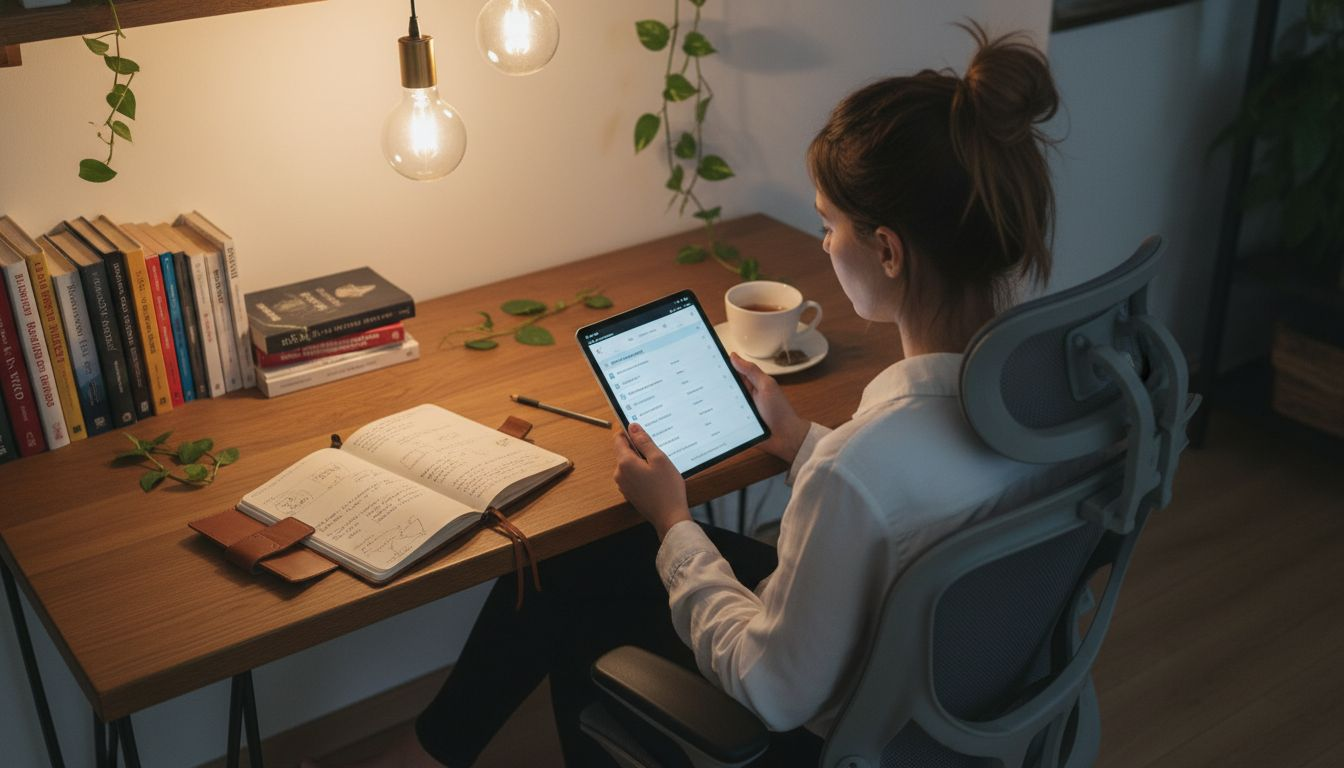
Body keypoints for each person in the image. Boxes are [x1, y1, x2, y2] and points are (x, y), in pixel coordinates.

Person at [321, 20, 1065, 768]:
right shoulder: (1048, 396)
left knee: (578, 599)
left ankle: (427, 755)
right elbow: (904, 500)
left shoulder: (859, 472)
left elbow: (772, 688)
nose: (823, 245)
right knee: (584, 556)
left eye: (828, 224)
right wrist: (800, 440)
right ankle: (428, 754)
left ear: (888, 251)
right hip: (948, 712)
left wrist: (674, 519)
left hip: (826, 736)